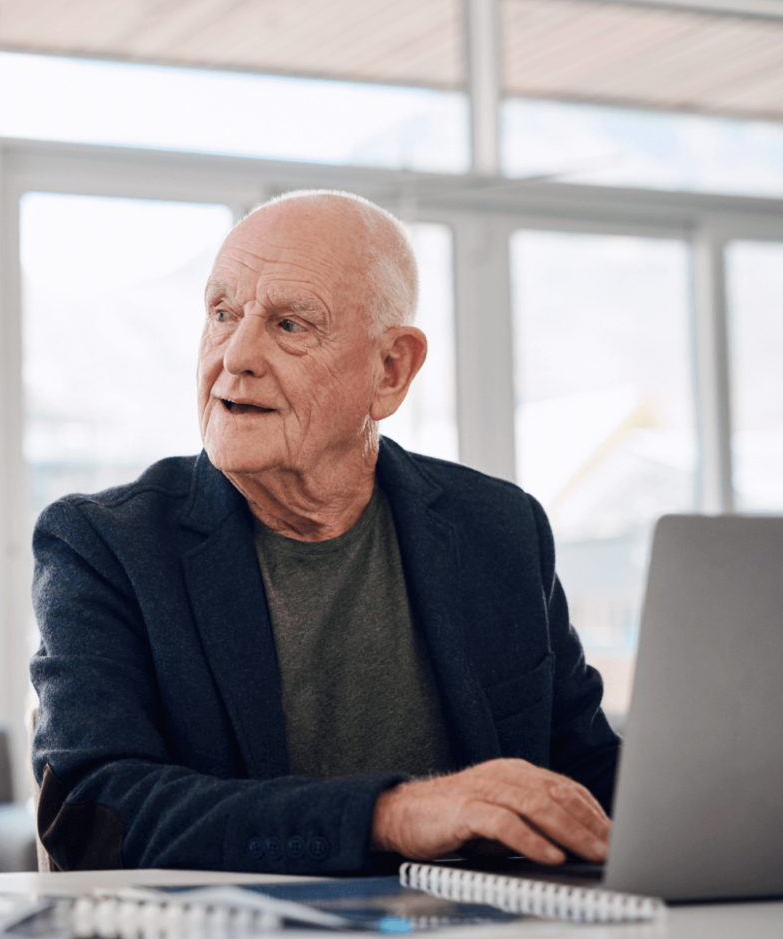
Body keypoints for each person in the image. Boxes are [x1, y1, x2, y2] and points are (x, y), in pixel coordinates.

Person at [30, 190, 620, 874]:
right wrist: (389, 815)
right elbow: (94, 815)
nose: (236, 355)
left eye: (289, 324)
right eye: (222, 314)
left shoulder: (499, 529)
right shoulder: (103, 546)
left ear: (390, 370)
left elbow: (584, 771)